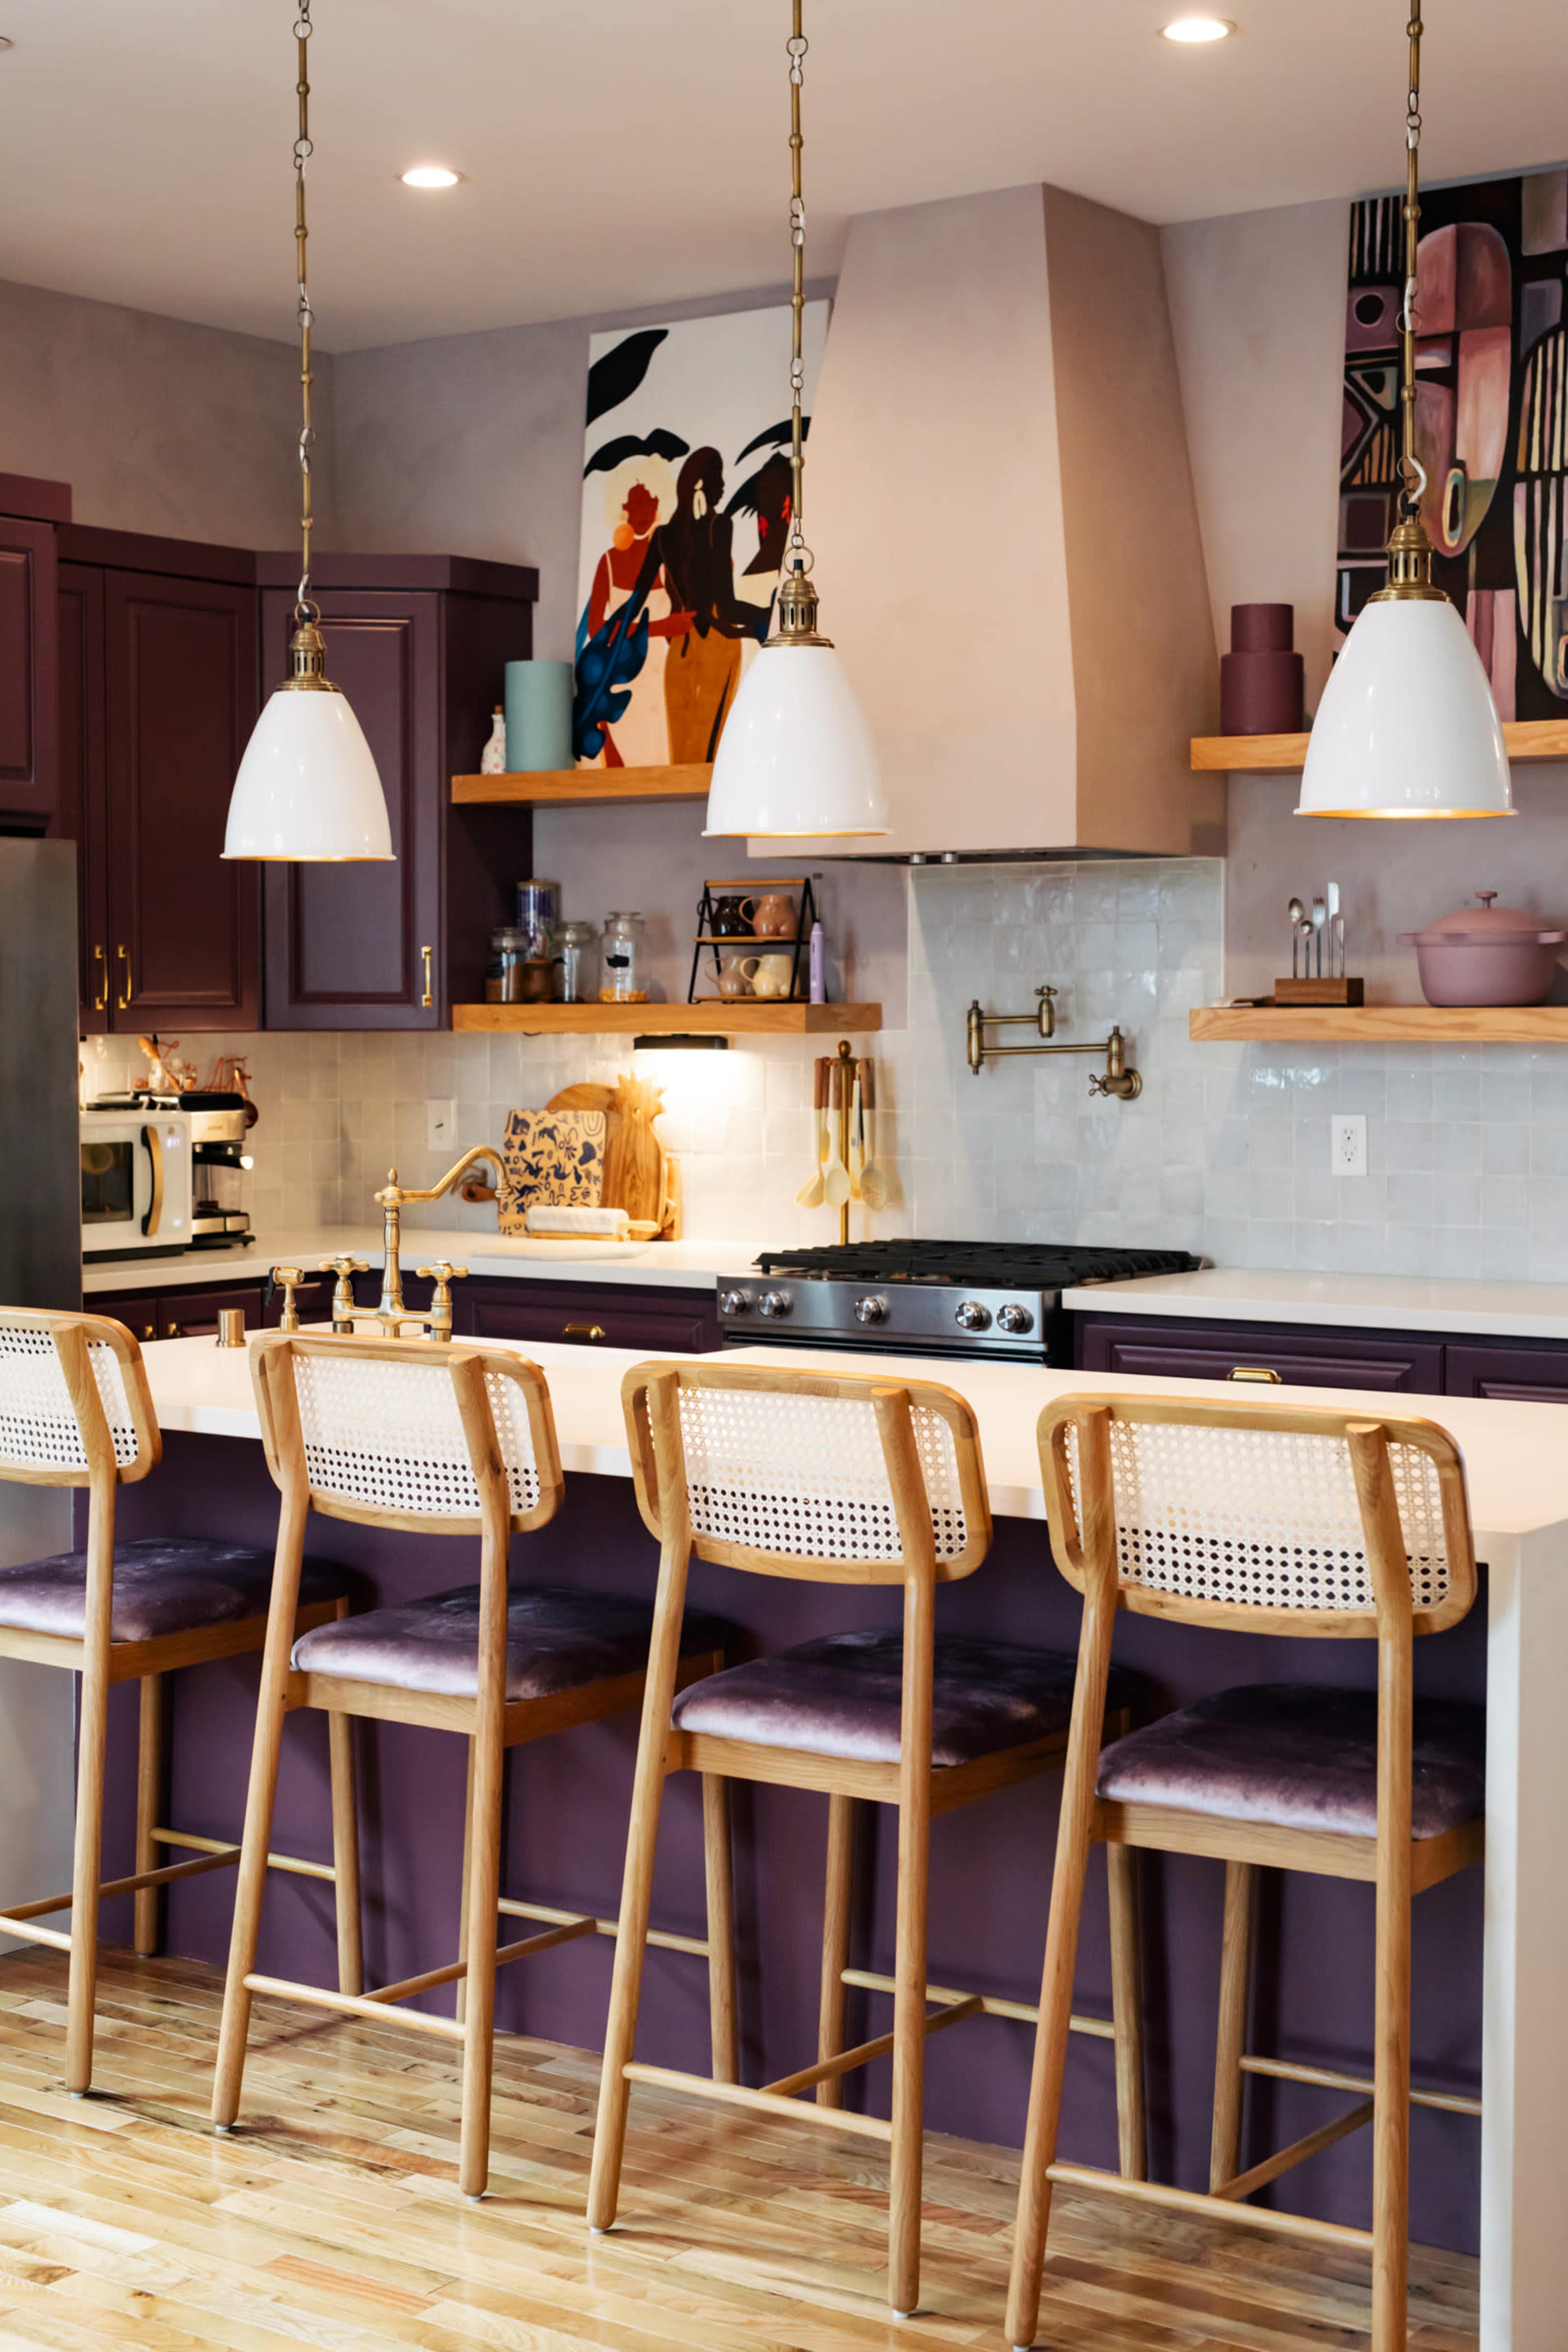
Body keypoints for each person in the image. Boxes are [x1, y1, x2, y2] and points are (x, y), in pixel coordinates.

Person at [633, 447, 768, 763]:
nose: (723, 486)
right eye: (718, 478)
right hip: (716, 646)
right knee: (712, 760)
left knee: (682, 760)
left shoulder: (662, 536)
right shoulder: (719, 526)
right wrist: (769, 617)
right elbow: (728, 607)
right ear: (701, 485)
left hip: (679, 650)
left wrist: (661, 628)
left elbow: (629, 612)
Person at [582, 460, 691, 767]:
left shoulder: (668, 561)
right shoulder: (608, 562)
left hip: (661, 674)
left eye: (649, 505)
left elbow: (685, 620)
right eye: (636, 506)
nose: (643, 513)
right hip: (623, 674)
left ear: (658, 508)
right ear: (625, 511)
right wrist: (658, 628)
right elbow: (596, 628)